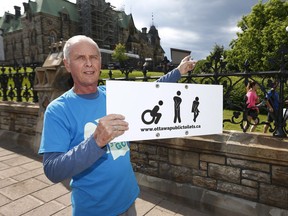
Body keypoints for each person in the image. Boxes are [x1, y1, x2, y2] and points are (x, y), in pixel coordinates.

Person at [38, 35, 196, 216]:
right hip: (94, 210)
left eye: (94, 57)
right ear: (67, 64)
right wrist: (95, 142)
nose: (89, 63)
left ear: (100, 62)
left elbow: (151, 93)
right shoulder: (58, 110)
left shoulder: (114, 95)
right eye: (80, 58)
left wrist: (178, 71)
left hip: (129, 199)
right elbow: (52, 169)